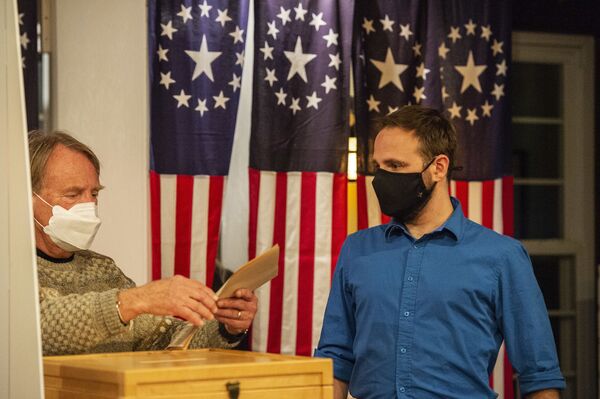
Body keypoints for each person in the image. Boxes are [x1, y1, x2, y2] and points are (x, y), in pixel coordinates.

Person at [314, 106, 564, 399]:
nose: (382, 178)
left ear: (439, 167)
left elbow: (539, 376)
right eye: (379, 166)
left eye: (395, 166)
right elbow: (335, 361)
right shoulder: (357, 249)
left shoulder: (502, 256)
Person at [30, 130, 257, 356]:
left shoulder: (102, 270)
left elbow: (165, 340)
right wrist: (136, 300)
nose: (89, 206)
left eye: (94, 194)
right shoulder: (12, 270)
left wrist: (226, 327)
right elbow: (38, 328)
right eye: (72, 195)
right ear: (26, 198)